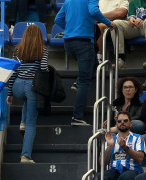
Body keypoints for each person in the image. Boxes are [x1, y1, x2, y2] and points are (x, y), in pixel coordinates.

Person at [54, 0, 114, 126]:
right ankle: (77, 117)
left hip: (69, 43)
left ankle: (78, 81)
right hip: (84, 42)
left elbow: (58, 19)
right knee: (85, 81)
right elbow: (94, 11)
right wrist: (108, 23)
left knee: (94, 65)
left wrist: (71, 28)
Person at [7, 24, 49, 164]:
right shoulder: (42, 49)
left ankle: (22, 122)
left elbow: (13, 71)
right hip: (31, 86)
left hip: (18, 86)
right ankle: (25, 156)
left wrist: (10, 92)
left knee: (25, 99)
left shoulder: (18, 49)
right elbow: (43, 68)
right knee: (32, 123)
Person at [103, 111, 146, 180]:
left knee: (125, 178)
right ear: (116, 124)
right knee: (100, 177)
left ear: (130, 124)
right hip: (114, 170)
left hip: (132, 169)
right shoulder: (110, 139)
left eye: (125, 120)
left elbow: (140, 158)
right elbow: (103, 162)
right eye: (119, 121)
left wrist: (125, 147)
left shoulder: (138, 138)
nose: (122, 123)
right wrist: (110, 146)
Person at [113, 6, 146, 70]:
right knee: (116, 23)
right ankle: (120, 60)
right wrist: (131, 19)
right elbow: (131, 16)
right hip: (135, 27)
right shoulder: (134, 1)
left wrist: (143, 20)